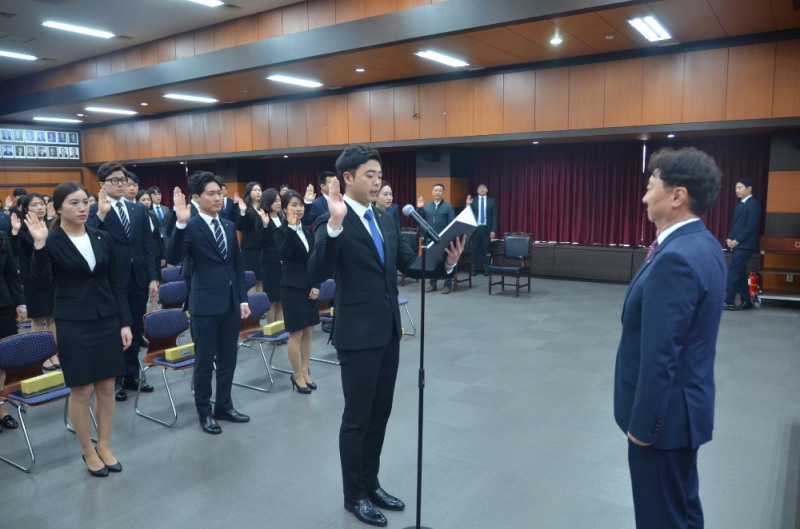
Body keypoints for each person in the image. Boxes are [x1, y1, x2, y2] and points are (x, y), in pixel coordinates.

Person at [309, 144, 464, 527]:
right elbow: (317, 271)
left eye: (379, 175)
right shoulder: (333, 218)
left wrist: (447, 263)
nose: (378, 182)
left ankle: (371, 482)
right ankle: (354, 494)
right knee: (357, 417)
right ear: (347, 178)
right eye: (370, 175)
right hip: (356, 335)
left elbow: (407, 265)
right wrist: (333, 225)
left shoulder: (386, 219)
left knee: (380, 413)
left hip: (387, 332)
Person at [614, 147, 725, 529]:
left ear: (677, 196)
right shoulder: (704, 244)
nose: (644, 196)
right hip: (684, 413)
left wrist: (644, 428)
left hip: (662, 424)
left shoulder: (676, 257)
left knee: (660, 517)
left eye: (651, 186)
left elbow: (662, 353)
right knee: (682, 509)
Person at [26, 181, 133, 477]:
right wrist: (39, 245)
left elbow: (115, 283)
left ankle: (105, 444)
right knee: (82, 389)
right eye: (74, 203)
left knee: (108, 386)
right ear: (58, 208)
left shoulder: (101, 237)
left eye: (85, 201)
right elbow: (40, 285)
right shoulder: (51, 239)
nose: (83, 207)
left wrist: (124, 322)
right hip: (73, 323)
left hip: (107, 319)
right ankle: (88, 450)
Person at [167, 171, 251, 435]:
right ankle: (204, 411)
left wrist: (243, 298)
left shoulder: (227, 225)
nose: (218, 198)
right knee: (204, 362)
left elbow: (237, 266)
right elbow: (172, 256)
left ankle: (223, 405)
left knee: (229, 358)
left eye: (220, 193)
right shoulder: (191, 226)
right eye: (212, 194)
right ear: (196, 198)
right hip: (204, 305)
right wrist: (180, 225)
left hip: (229, 303)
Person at [88, 162, 158, 402]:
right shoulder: (95, 210)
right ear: (102, 185)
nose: (120, 185)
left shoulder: (138, 210)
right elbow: (87, 240)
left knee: (136, 330)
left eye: (123, 180)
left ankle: (132, 375)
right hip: (110, 282)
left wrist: (152, 277)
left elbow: (147, 247)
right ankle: (115, 380)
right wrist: (100, 216)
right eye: (114, 181)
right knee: (116, 333)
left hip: (138, 278)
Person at [274, 189, 319, 394]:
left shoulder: (308, 230)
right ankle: (296, 374)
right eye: (293, 205)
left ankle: (305, 370)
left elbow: (314, 259)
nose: (298, 208)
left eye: (300, 204)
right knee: (297, 332)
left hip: (308, 285)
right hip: (291, 286)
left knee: (309, 331)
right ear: (284, 209)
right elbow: (285, 253)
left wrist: (316, 284)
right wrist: (291, 229)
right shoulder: (281, 231)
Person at [11, 194, 60, 371]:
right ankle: (41, 355)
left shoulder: (51, 225)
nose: (40, 207)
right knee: (39, 318)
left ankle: (53, 352)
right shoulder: (22, 228)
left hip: (51, 276)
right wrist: (15, 232)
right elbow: (14, 252)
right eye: (35, 205)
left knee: (53, 316)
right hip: (32, 278)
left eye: (42, 204)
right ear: (26, 210)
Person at [0, 226, 26, 433]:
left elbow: (10, 274)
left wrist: (20, 302)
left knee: (4, 362)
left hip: (3, 307)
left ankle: (3, 411)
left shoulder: (1, 238)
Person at [723, 177, 760, 311]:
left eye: (739, 187)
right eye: (736, 188)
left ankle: (729, 301)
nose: (736, 190)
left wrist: (737, 241)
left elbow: (751, 227)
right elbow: (734, 226)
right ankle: (746, 301)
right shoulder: (739, 206)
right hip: (738, 244)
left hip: (745, 245)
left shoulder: (753, 205)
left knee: (733, 271)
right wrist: (729, 239)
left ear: (749, 189)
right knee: (739, 273)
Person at [416, 182, 455, 293]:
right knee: (432, 262)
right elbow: (419, 221)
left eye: (440, 191)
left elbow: (451, 223)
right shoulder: (427, 206)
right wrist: (419, 208)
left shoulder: (448, 207)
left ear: (443, 193)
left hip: (444, 239)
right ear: (432, 192)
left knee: (446, 262)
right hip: (429, 239)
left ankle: (447, 285)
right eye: (435, 190)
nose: (437, 192)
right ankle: (432, 284)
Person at [256, 188, 283, 324]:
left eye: (279, 200)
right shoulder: (261, 218)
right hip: (270, 264)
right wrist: (265, 226)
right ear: (268, 202)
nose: (279, 203)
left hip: (282, 263)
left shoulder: (282, 217)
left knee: (281, 299)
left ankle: (280, 329)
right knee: (272, 299)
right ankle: (273, 329)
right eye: (275, 201)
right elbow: (262, 242)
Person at [136, 190, 165, 312]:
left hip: (155, 253)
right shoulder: (136, 216)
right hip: (141, 254)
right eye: (143, 200)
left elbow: (158, 237)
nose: (146, 202)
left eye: (148, 200)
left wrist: (163, 256)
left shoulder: (152, 216)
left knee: (156, 281)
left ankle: (153, 308)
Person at [234, 181, 263, 292]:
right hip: (250, 248)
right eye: (255, 190)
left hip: (263, 247)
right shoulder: (244, 206)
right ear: (249, 192)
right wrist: (242, 212)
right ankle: (252, 304)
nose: (258, 192)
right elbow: (240, 227)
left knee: (262, 279)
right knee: (252, 279)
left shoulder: (264, 207)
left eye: (259, 190)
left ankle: (261, 304)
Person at [466, 183, 497, 276]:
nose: (482, 189)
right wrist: (467, 205)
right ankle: (474, 269)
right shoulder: (473, 200)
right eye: (480, 188)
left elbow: (494, 217)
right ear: (477, 190)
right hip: (475, 229)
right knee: (474, 250)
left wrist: (493, 230)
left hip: (486, 229)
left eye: (484, 188)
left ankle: (487, 269)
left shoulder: (492, 201)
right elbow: (467, 214)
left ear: (487, 190)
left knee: (486, 250)